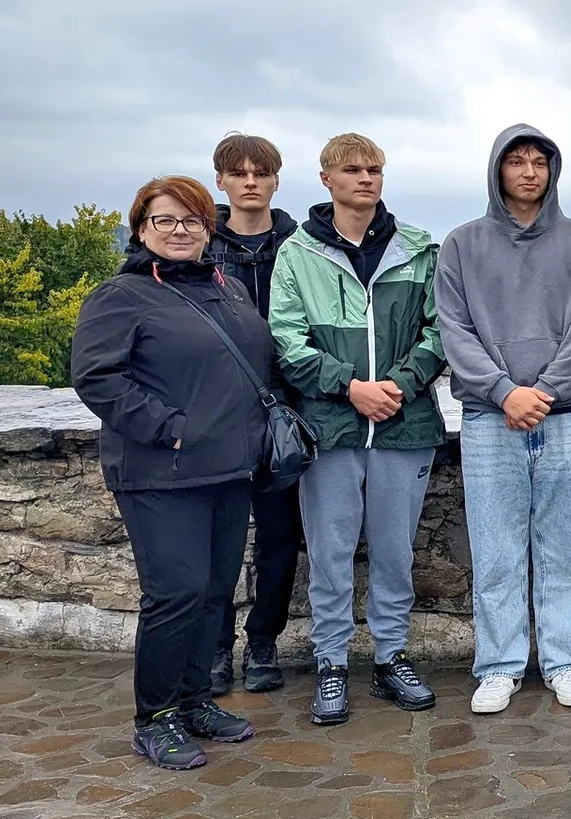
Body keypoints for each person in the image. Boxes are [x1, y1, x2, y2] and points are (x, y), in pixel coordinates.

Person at [72, 176, 266, 769]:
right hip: (160, 471)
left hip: (228, 469)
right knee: (175, 593)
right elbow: (97, 378)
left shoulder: (229, 288)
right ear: (141, 229)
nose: (180, 230)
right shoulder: (121, 296)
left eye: (192, 220)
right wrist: (171, 427)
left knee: (214, 591)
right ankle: (155, 718)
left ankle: (195, 701)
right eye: (165, 220)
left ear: (209, 229)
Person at [269, 133, 447, 728]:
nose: (365, 178)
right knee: (330, 553)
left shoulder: (418, 249)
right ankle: (331, 662)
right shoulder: (298, 254)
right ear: (326, 179)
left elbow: (440, 331)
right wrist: (351, 387)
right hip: (330, 430)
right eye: (352, 170)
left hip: (404, 425)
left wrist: (397, 384)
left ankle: (391, 657)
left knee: (395, 554)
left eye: (374, 169)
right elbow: (287, 342)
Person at [437, 126, 571, 716]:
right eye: (517, 162)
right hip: (489, 418)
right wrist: (505, 392)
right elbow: (454, 329)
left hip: (567, 415)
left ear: (553, 170)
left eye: (540, 162)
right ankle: (500, 666)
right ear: (498, 170)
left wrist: (546, 391)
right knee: (496, 548)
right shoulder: (461, 245)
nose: (529, 172)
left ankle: (566, 661)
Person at [207, 132, 303, 697]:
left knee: (280, 536)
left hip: (283, 409)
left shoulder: (301, 243)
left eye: (260, 173)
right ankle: (216, 647)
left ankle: (263, 641)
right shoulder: (199, 244)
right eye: (239, 173)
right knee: (216, 538)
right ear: (220, 180)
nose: (250, 182)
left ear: (275, 180)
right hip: (216, 410)